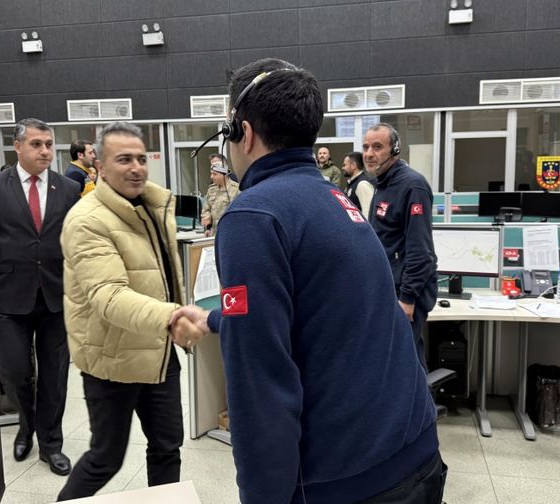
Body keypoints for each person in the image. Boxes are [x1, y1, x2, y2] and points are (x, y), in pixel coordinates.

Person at [172, 58, 444, 504]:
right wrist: (219, 318)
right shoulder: (334, 197)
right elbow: (320, 307)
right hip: (414, 452)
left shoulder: (253, 214)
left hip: (351, 481)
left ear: (244, 133)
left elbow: (259, 385)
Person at [56, 122, 205, 500]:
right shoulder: (86, 220)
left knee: (167, 448)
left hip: (157, 354)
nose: (136, 167)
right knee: (105, 458)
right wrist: (171, 316)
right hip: (112, 358)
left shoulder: (154, 206)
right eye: (124, 159)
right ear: (100, 167)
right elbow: (107, 296)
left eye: (141, 158)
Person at [0, 118, 80, 476]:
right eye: (36, 144)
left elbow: (79, 246)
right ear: (18, 147)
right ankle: (26, 427)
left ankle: (51, 443)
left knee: (54, 376)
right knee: (15, 373)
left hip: (56, 299)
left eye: (49, 144)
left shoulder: (68, 188)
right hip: (9, 300)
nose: (45, 151)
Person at [363, 122, 437, 371]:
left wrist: (407, 298)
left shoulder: (411, 186)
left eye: (377, 147)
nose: (369, 153)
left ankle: (421, 409)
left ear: (394, 149)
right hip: (389, 287)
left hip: (405, 293)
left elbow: (421, 251)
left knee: (404, 364)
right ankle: (419, 408)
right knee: (400, 361)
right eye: (365, 147)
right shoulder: (383, 184)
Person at [200, 159, 240, 236]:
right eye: (211, 173)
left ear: (224, 174)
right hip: (214, 234)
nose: (211, 177)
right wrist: (208, 227)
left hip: (230, 233)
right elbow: (206, 209)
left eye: (214, 174)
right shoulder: (211, 189)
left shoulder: (236, 189)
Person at [342, 151, 374, 218]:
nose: (343, 168)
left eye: (344, 165)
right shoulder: (352, 183)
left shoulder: (362, 184)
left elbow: (367, 213)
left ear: (353, 166)